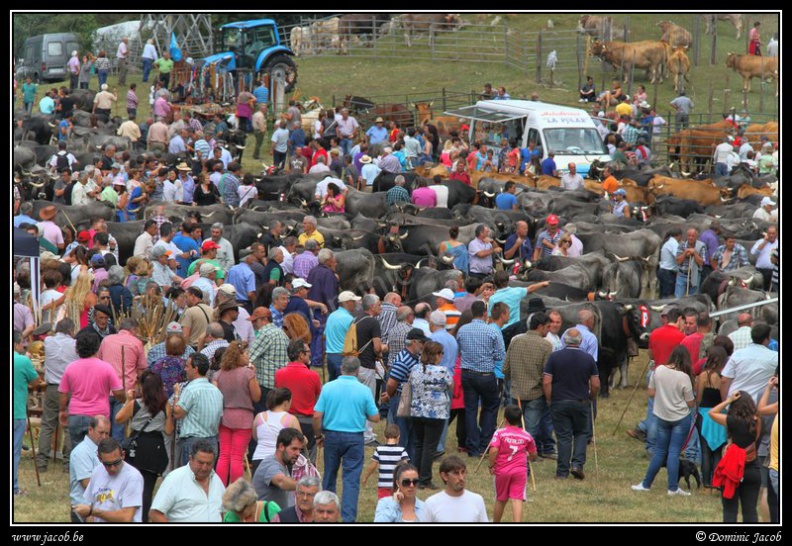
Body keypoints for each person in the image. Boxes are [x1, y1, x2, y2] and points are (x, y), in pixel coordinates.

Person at [313, 356, 381, 522]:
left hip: (332, 435)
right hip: (354, 437)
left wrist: (318, 435)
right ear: (357, 371)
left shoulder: (328, 387)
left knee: (329, 475)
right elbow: (375, 417)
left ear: (341, 368)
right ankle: (348, 518)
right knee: (351, 479)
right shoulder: (363, 390)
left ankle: (326, 514)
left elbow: (317, 416)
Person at [631, 346, 695, 496]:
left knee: (659, 451)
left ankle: (646, 484)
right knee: (674, 452)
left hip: (662, 416)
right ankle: (672, 487)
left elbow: (652, 393)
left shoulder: (658, 370)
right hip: (680, 417)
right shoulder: (684, 377)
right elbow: (691, 402)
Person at [113, 370, 171, 523]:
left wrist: (127, 400)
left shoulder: (135, 404)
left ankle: (129, 514)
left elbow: (118, 419)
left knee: (133, 483)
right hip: (155, 446)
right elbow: (169, 430)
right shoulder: (165, 405)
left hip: (137, 445)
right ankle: (144, 518)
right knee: (148, 487)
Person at [543, 328, 600, 480]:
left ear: (564, 340)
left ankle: (562, 471)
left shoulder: (554, 357)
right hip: (581, 401)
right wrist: (590, 397)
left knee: (563, 437)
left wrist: (549, 398)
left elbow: (547, 381)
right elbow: (595, 384)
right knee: (581, 433)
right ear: (580, 341)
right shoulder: (588, 358)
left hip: (559, 401)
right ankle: (577, 465)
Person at [59, 331, 125, 447]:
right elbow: (118, 392)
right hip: (99, 416)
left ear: (77, 348)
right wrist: (126, 400)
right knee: (98, 453)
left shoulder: (70, 368)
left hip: (76, 415)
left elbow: (64, 394)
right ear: (97, 347)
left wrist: (62, 411)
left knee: (77, 450)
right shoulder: (106, 368)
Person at [457, 301, 505, 457]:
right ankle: (486, 443)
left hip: (467, 374)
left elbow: (459, 351)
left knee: (470, 410)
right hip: (485, 375)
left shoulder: (462, 330)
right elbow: (499, 356)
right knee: (490, 408)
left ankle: (473, 446)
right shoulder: (492, 331)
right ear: (485, 313)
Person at [212, 341, 262, 486]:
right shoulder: (248, 373)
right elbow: (256, 396)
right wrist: (254, 376)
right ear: (238, 356)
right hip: (243, 417)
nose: (248, 356)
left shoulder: (218, 374)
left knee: (224, 455)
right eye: (245, 353)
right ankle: (236, 489)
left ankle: (220, 488)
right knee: (237, 457)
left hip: (225, 416)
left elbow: (216, 395)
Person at [709, 390, 761, 522]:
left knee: (730, 511)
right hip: (752, 469)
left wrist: (728, 400)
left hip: (732, 469)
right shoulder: (757, 421)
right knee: (750, 511)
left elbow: (712, 413)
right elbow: (757, 441)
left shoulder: (731, 421)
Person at [408, 340, 453, 489]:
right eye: (441, 354)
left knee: (418, 444)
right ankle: (425, 479)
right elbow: (451, 385)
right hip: (436, 412)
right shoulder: (442, 371)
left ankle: (414, 476)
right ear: (436, 355)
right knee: (429, 446)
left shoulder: (415, 368)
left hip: (417, 410)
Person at [37, 319, 79, 473]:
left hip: (53, 388)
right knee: (69, 427)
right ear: (70, 330)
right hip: (71, 389)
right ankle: (67, 464)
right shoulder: (75, 344)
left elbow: (41, 333)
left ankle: (42, 462)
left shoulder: (48, 341)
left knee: (47, 425)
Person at [149, 439, 226, 522]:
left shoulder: (216, 480)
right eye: (200, 463)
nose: (204, 468)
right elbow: (155, 513)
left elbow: (219, 512)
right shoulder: (174, 479)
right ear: (191, 458)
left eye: (209, 464)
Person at [71, 437, 144, 522]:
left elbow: (127, 518)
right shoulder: (97, 471)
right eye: (107, 464)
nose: (112, 468)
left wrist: (94, 512)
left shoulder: (133, 477)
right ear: (99, 458)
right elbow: (92, 508)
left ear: (123, 455)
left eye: (116, 462)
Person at [489, 404, 537, 523]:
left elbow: (494, 450)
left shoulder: (499, 433)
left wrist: (491, 465)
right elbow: (534, 455)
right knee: (517, 499)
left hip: (502, 471)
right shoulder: (527, 436)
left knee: (501, 499)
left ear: (505, 419)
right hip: (520, 472)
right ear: (520, 420)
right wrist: (528, 456)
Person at [173, 353, 224, 466]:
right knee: (207, 479)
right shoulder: (216, 391)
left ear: (195, 369)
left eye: (187, 366)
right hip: (212, 441)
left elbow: (177, 413)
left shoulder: (190, 389)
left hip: (193, 442)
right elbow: (219, 416)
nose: (185, 369)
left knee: (191, 479)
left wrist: (177, 394)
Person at [13, 331, 42, 496]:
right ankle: (13, 487)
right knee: (14, 451)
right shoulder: (22, 360)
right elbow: (35, 381)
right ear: (17, 344)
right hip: (16, 411)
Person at [696, 346, 728, 489]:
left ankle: (706, 482)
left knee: (705, 450)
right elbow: (723, 400)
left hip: (704, 414)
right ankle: (717, 481)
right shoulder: (723, 379)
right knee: (717, 451)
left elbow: (698, 398)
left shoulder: (703, 376)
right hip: (718, 416)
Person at [68, 416, 110, 521]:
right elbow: (88, 484)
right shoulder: (82, 452)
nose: (104, 437)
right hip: (84, 510)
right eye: (101, 433)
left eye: (107, 433)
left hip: (101, 507)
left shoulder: (104, 451)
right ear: (90, 429)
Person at [422, 455, 488, 522]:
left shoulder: (477, 500)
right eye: (456, 473)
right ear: (444, 476)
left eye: (463, 472)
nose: (461, 478)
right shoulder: (431, 504)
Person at [252, 427, 303, 509]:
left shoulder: (283, 464)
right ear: (281, 446)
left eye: (300, 450)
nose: (298, 453)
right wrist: (306, 486)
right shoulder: (271, 464)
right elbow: (281, 481)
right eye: (294, 449)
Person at [362, 424, 410, 499]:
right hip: (397, 485)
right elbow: (406, 467)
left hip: (383, 485)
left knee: (383, 506)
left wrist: (365, 477)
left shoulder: (379, 449)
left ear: (385, 437)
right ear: (398, 437)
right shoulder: (401, 450)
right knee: (397, 506)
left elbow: (373, 466)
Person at [675, 228, 707, 297]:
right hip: (682, 275)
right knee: (678, 298)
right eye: (689, 236)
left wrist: (695, 253)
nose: (690, 238)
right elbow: (678, 261)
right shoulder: (681, 245)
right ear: (687, 236)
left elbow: (701, 263)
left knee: (692, 299)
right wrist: (685, 252)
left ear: (696, 237)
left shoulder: (701, 246)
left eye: (693, 236)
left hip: (695, 276)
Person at [750, 225, 777, 292]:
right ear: (767, 234)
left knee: (769, 291)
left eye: (773, 233)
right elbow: (753, 253)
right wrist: (764, 242)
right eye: (769, 233)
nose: (771, 235)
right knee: (757, 290)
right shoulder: (760, 241)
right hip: (759, 271)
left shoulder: (779, 244)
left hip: (772, 272)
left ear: (777, 234)